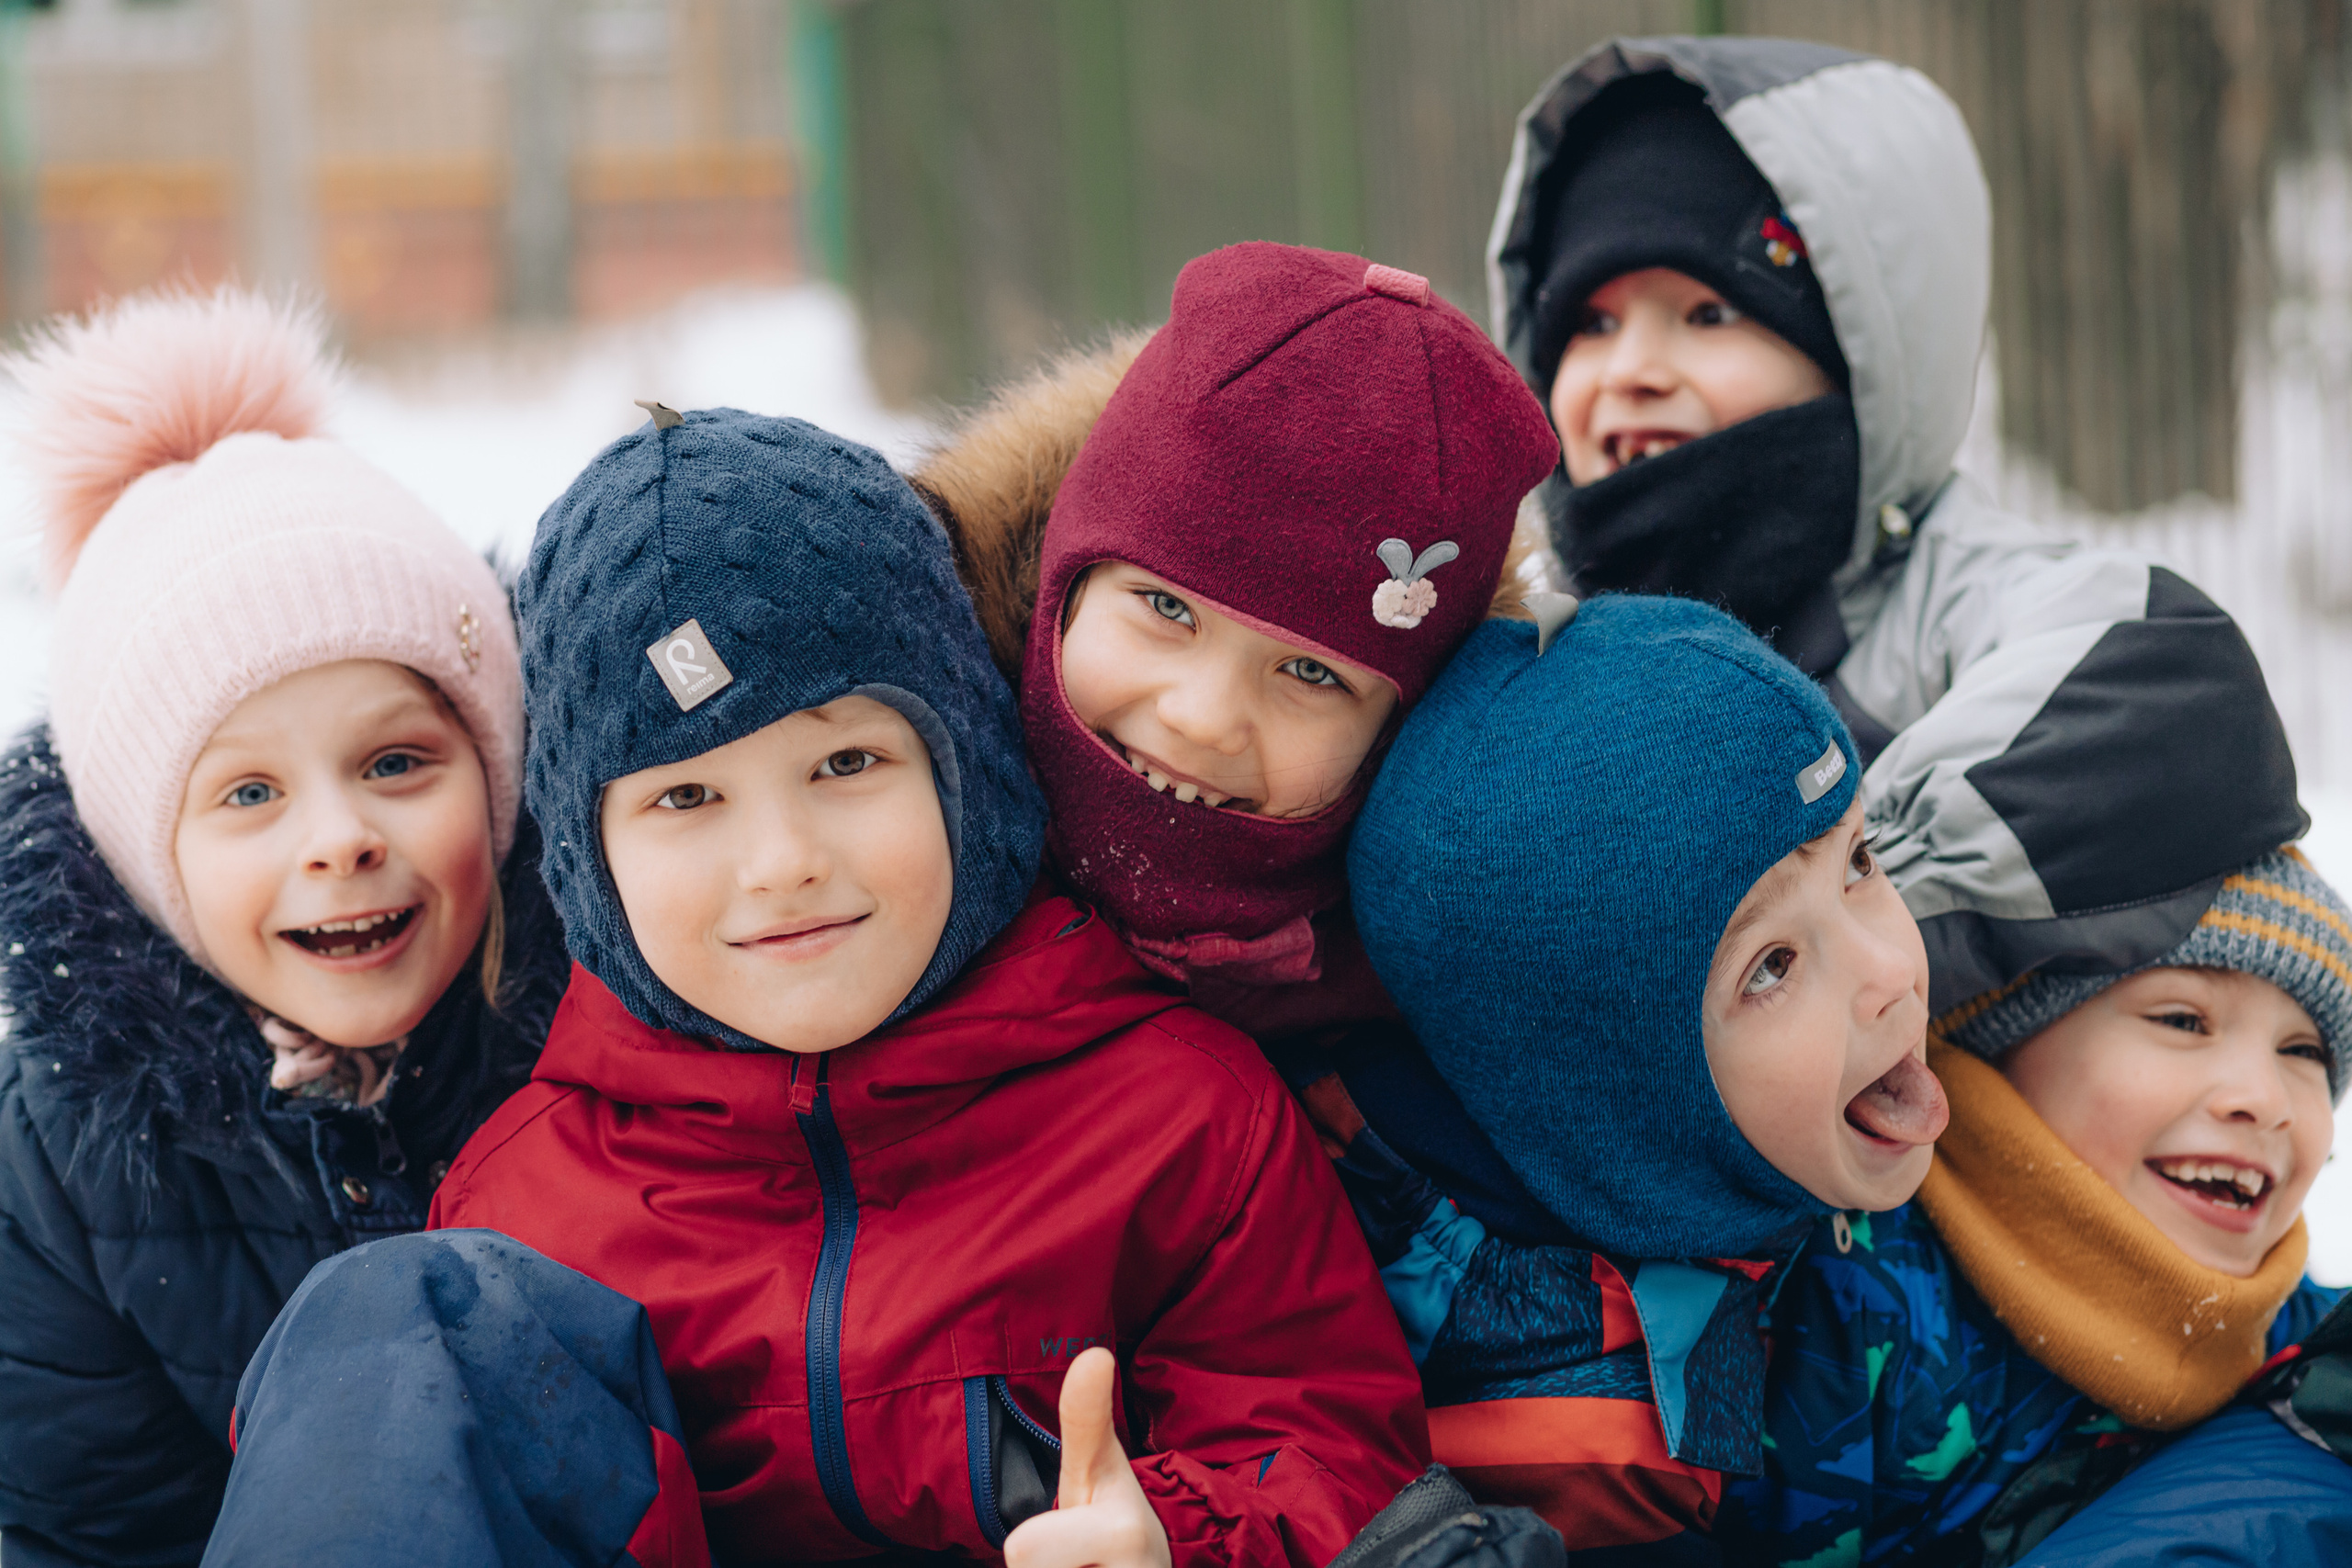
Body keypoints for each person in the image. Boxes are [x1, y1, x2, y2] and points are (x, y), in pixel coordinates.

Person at [209, 406, 1430, 1567]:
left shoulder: (1177, 1116)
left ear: (969, 771)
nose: (783, 859)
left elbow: (1336, 1449)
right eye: (686, 796)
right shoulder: (528, 1198)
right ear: (588, 861)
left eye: (848, 759)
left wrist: (1174, 1532)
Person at [0, 288, 565, 1567]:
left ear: (501, 771)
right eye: (248, 792)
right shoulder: (64, 1155)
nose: (338, 836)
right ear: (147, 862)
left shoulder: (622, 1025)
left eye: (401, 762)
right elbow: (90, 1535)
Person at [1340, 592, 1948, 1557]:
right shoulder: (1583, 1465)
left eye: (1859, 861)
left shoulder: (1773, 1147)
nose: (1885, 972)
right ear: (1619, 1098)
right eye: (1772, 967)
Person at [914, 241, 1560, 1039]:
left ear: (1399, 734)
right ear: (1060, 580)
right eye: (1166, 609)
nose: (1203, 719)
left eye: (1310, 672)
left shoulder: (1426, 1025)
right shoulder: (864, 857)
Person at [1718, 848, 2351, 1566]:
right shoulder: (1844, 1304)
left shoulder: (2301, 1347)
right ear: (2004, 1046)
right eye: (2182, 1020)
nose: (2265, 1100)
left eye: (2304, 1051)